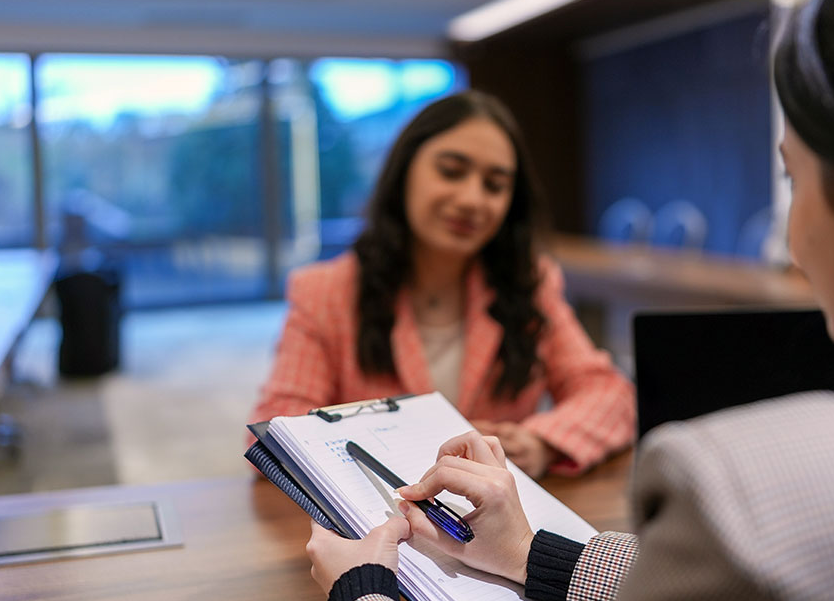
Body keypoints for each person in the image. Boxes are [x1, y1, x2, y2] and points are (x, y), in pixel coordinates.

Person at [302, 0, 834, 601]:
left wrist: (362, 597)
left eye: (792, 180)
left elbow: (614, 400)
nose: (793, 236)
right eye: (452, 170)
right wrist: (537, 554)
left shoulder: (738, 485)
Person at [249, 91, 634, 477]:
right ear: (404, 173)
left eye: (495, 185)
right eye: (451, 171)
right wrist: (410, 448)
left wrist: (541, 442)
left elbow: (610, 395)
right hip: (377, 524)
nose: (471, 199)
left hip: (497, 525)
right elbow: (273, 437)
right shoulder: (326, 292)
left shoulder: (528, 283)